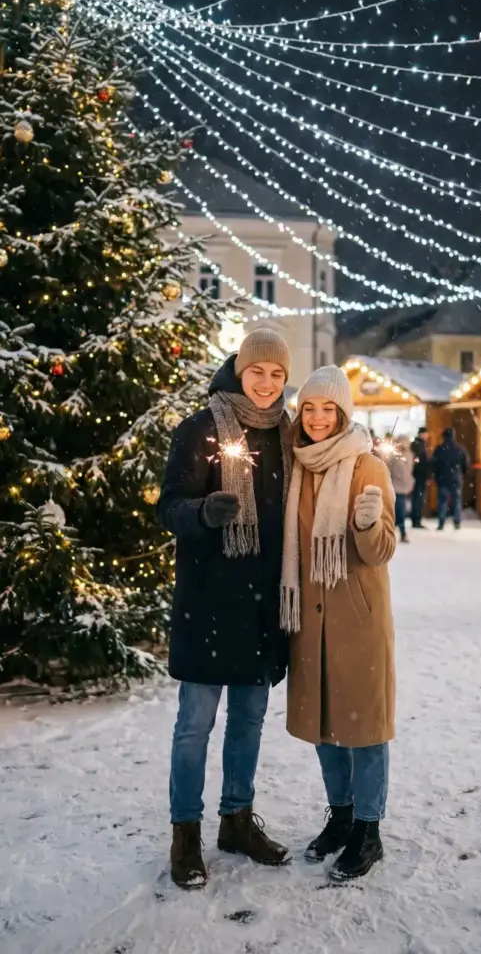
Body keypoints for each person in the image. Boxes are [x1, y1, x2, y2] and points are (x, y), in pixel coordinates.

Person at [158, 328, 293, 889]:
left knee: (250, 722)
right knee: (195, 725)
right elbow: (169, 507)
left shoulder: (289, 436)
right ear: (239, 370)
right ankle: (185, 833)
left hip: (262, 607)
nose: (266, 383)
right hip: (209, 603)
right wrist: (203, 513)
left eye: (277, 374)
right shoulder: (199, 428)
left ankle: (236, 818)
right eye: (257, 371)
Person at [281, 366, 396, 883]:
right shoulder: (297, 466)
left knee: (365, 730)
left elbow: (383, 550)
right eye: (310, 408)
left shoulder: (368, 466)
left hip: (357, 619)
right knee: (326, 727)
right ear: (300, 413)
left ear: (344, 412)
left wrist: (369, 524)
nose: (319, 417)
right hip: (310, 620)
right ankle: (342, 816)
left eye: (328, 408)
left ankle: (368, 831)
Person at [431, 426, 469, 531]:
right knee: (456, 501)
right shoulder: (460, 448)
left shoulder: (439, 449)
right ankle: (457, 522)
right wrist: (461, 474)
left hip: (443, 478)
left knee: (442, 501)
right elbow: (465, 464)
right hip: (456, 478)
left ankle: (441, 522)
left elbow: (434, 464)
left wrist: (436, 476)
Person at [384, 434, 415, 543]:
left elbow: (406, 472)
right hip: (395, 487)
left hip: (401, 487)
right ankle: (396, 532)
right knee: (395, 512)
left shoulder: (407, 455)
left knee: (398, 512)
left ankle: (399, 532)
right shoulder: (394, 455)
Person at [410, 426, 430, 528]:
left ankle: (416, 519)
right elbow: (420, 462)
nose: (427, 436)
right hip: (419, 476)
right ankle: (416, 520)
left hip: (418, 475)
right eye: (426, 433)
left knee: (417, 498)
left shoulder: (418, 445)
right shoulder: (419, 446)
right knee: (418, 498)